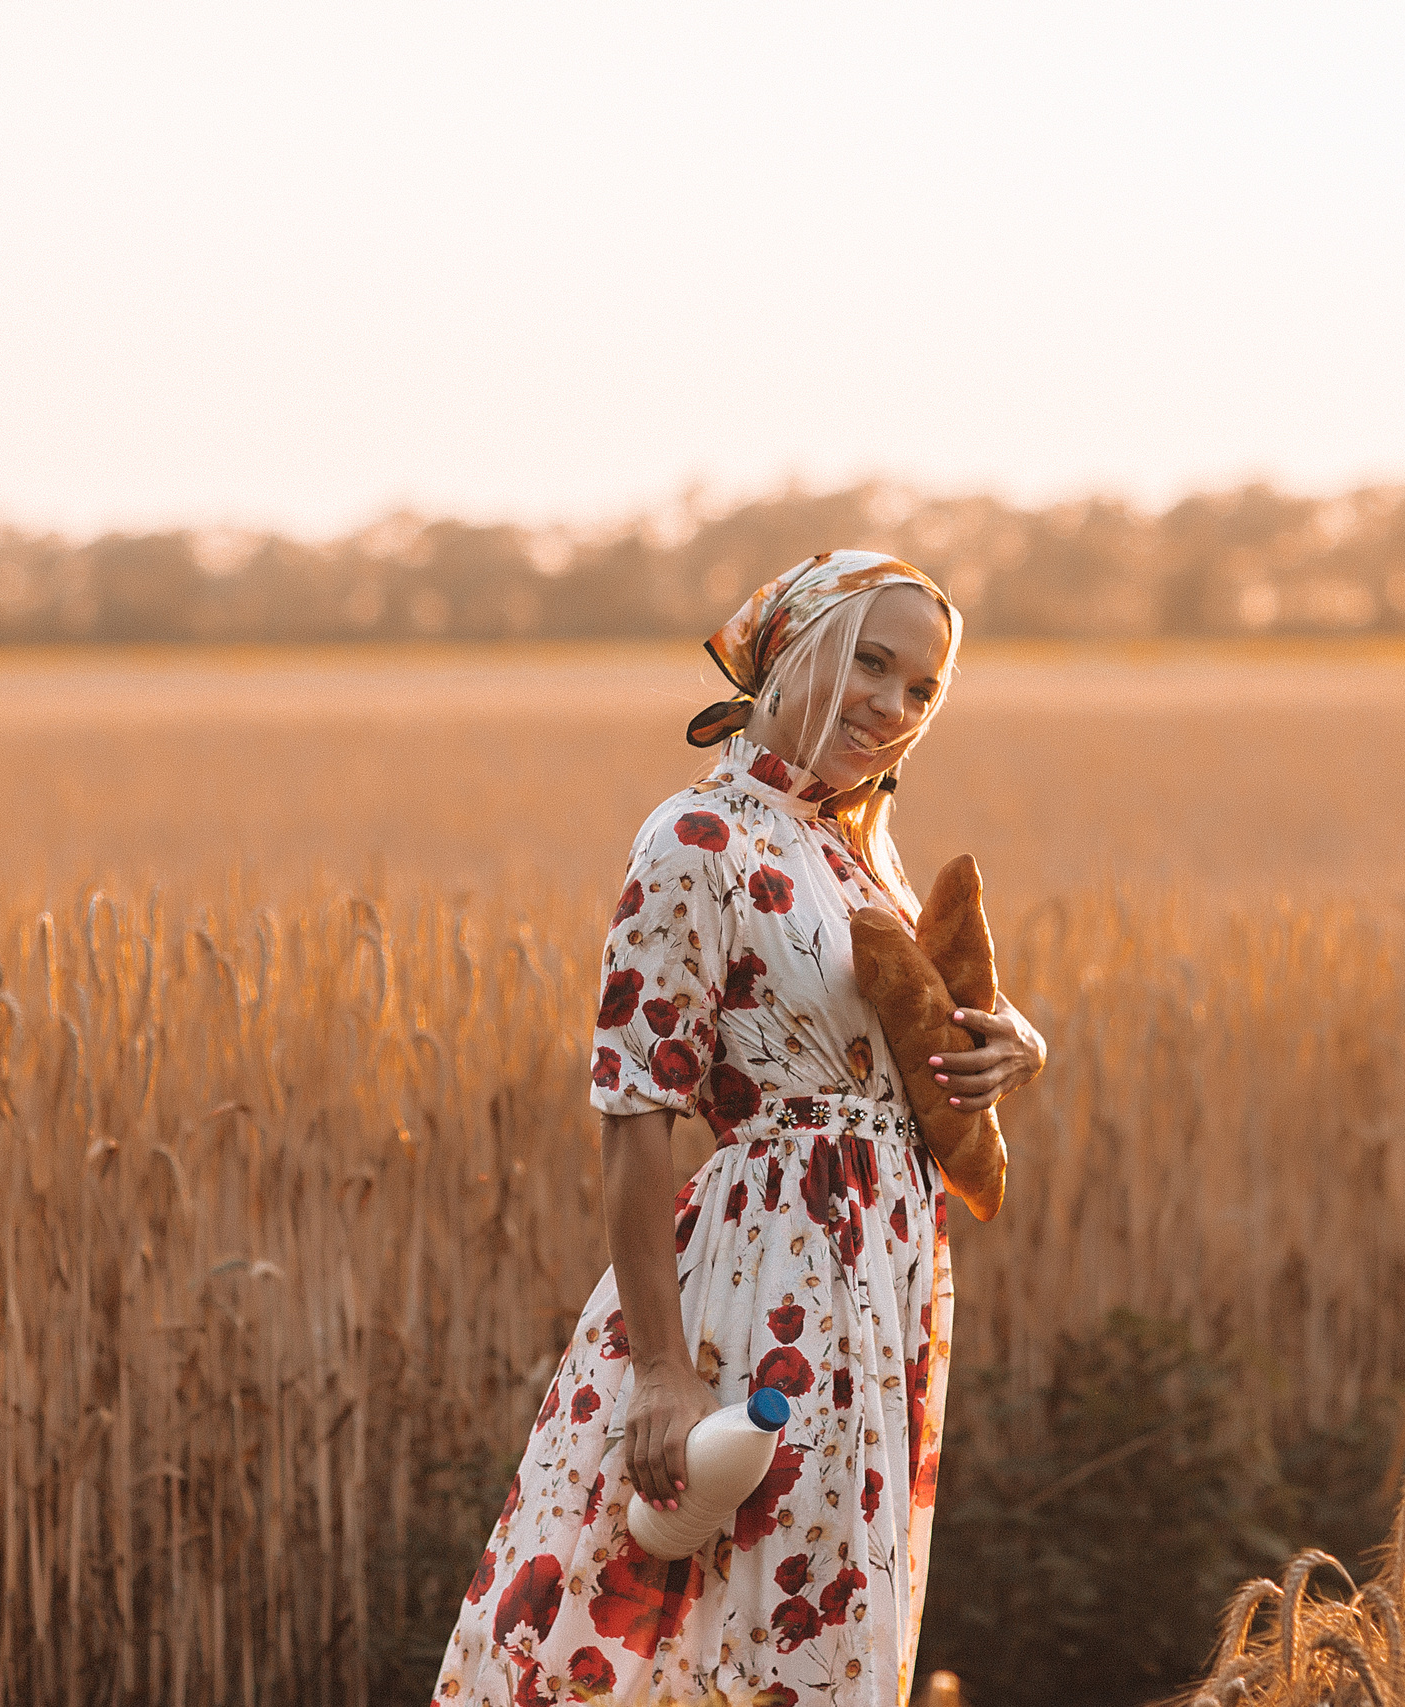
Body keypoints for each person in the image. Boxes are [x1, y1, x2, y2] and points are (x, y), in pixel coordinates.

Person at [434, 551, 1048, 1706]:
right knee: (692, 1604)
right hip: (761, 1282)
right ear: (789, 645)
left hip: (884, 1285)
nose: (892, 706)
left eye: (923, 690)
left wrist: (1020, 1043)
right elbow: (635, 1115)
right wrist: (663, 1374)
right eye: (870, 661)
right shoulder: (697, 839)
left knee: (816, 1618)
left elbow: (912, 1044)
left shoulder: (863, 853)